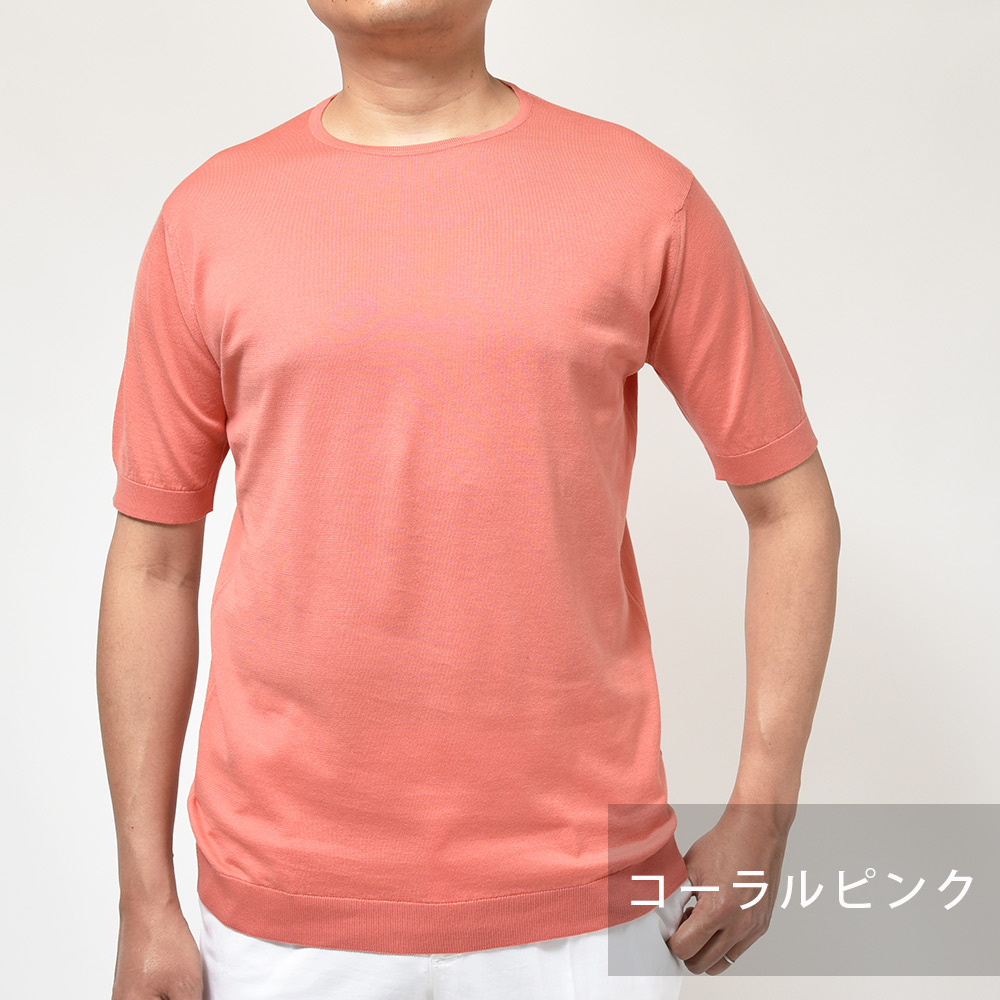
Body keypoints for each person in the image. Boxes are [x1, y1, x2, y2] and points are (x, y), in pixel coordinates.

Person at [96, 1, 840, 998]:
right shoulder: (208, 220)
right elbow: (154, 562)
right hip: (284, 911)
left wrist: (765, 812)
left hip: (585, 906)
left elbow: (790, 508)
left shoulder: (641, 197)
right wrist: (143, 897)